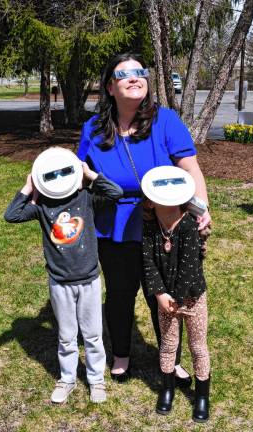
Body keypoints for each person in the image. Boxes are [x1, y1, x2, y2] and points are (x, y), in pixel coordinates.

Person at [77, 52, 211, 382]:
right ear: (110, 87)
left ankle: (172, 357)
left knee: (164, 296)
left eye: (141, 72)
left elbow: (189, 167)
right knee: (121, 294)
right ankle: (121, 354)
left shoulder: (165, 120)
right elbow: (79, 174)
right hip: (114, 227)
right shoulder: (93, 129)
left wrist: (202, 208)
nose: (136, 77)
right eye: (126, 74)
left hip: (164, 225)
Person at [4, 147, 123, 404]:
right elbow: (11, 215)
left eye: (65, 170)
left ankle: (96, 380)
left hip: (89, 279)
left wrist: (89, 174)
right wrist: (29, 186)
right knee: (67, 336)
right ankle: (67, 378)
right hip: (59, 282)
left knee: (92, 334)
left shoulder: (87, 199)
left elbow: (116, 193)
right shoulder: (43, 207)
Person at [141, 166, 210, 422]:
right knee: (169, 346)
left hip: (192, 298)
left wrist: (178, 299)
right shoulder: (149, 229)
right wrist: (160, 294)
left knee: (197, 347)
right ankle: (167, 389)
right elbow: (148, 264)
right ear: (150, 201)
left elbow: (189, 268)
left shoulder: (189, 226)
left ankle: (201, 396)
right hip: (166, 300)